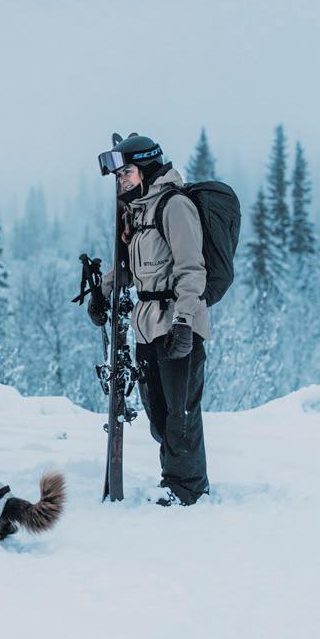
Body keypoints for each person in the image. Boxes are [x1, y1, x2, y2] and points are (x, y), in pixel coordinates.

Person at [90, 135, 210, 506]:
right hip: (146, 326)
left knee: (180, 413)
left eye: (126, 172)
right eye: (119, 175)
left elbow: (192, 269)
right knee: (158, 411)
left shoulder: (175, 206)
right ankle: (174, 479)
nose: (121, 180)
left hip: (177, 323)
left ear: (145, 167)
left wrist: (184, 322)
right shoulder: (140, 212)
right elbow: (131, 268)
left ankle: (187, 489)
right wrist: (102, 292)